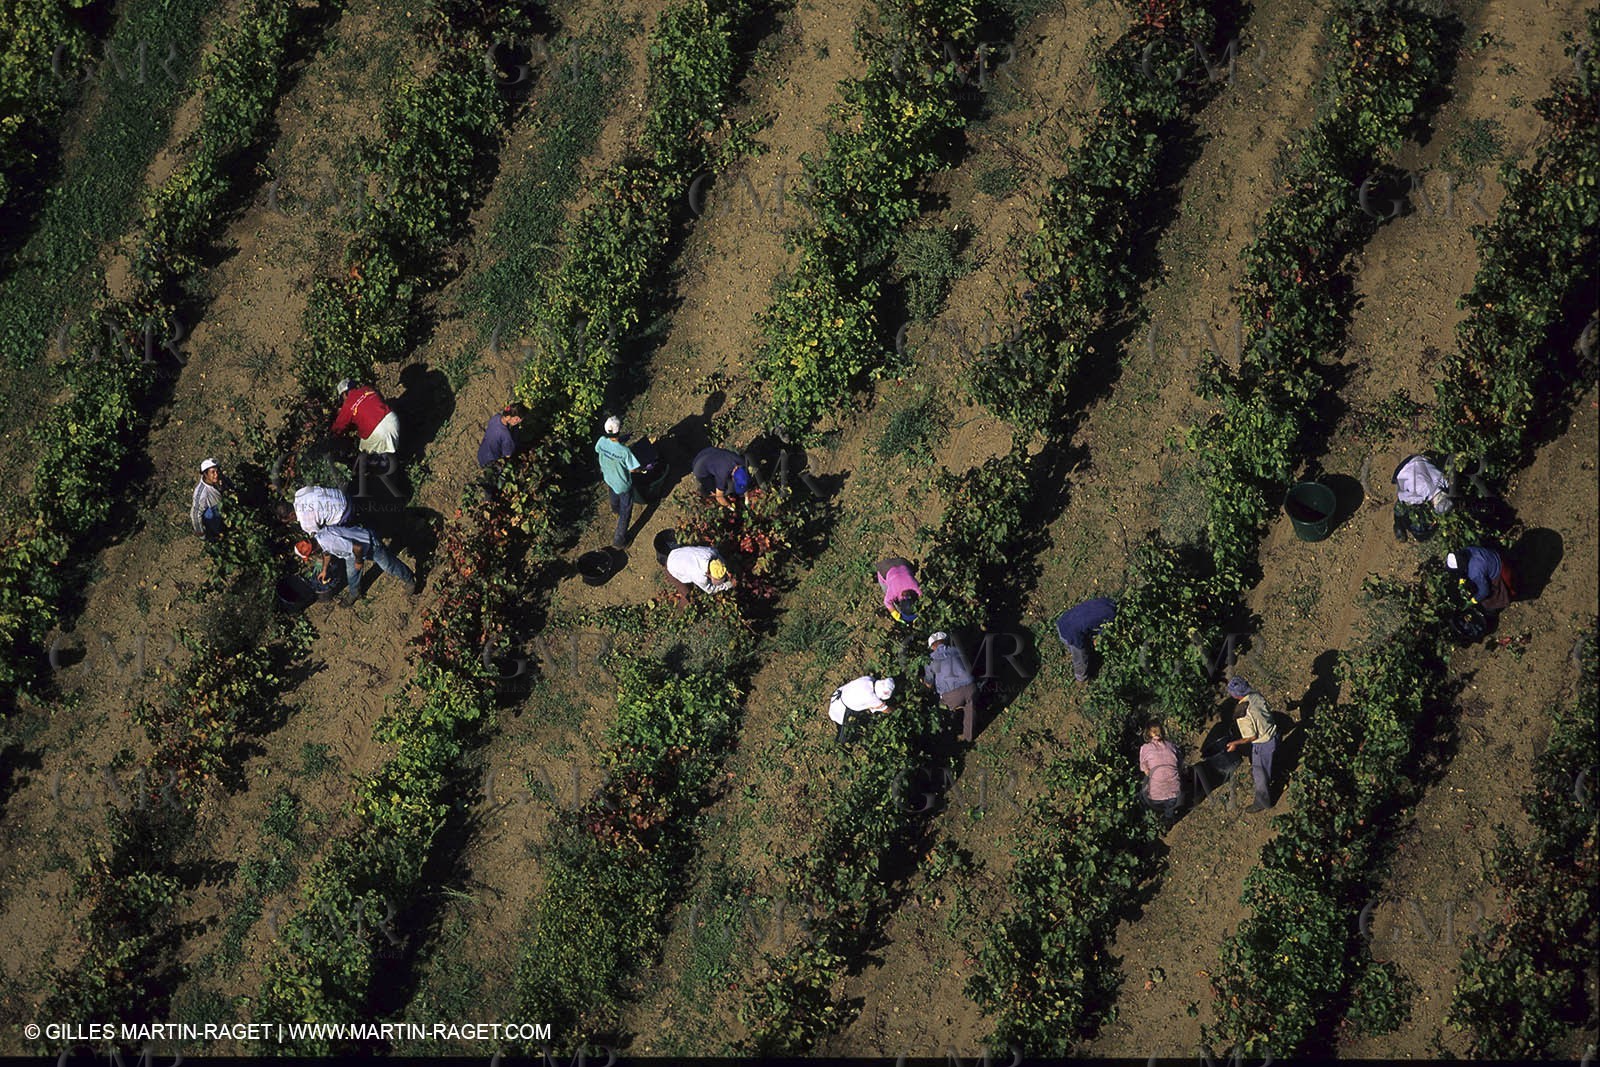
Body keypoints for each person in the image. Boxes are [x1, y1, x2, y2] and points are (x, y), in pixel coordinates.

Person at [313, 522, 418, 606]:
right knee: (351, 574)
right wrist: (324, 570)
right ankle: (355, 593)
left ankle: (410, 580)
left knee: (388, 566)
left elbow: (358, 548)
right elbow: (326, 553)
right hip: (351, 552)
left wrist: (359, 561)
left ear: (313, 551)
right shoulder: (318, 539)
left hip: (369, 543)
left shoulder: (331, 542)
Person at [1223, 676, 1277, 812]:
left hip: (1263, 744)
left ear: (1235, 696)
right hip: (1273, 734)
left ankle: (1263, 802)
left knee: (1260, 774)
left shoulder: (1242, 712)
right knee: (1269, 763)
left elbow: (1252, 737)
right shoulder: (1256, 695)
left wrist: (1235, 743)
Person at [596, 415, 643, 549]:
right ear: (620, 429)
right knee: (626, 510)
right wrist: (642, 469)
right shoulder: (625, 452)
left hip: (608, 477)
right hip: (623, 484)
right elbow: (633, 469)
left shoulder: (601, 441)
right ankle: (619, 540)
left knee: (613, 492)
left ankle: (615, 509)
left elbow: (600, 449)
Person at [923, 632, 978, 742]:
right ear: (944, 641)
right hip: (970, 688)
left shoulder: (929, 660)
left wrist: (925, 682)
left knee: (941, 704)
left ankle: (950, 730)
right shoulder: (956, 650)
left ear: (932, 647)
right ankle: (968, 736)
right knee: (970, 706)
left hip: (952, 697)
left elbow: (929, 683)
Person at [1055, 597, 1117, 682]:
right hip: (1071, 634)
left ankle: (1076, 649)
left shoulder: (1107, 601)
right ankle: (1081, 677)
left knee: (1081, 641)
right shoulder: (1111, 616)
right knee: (1080, 658)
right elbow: (1103, 634)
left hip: (1063, 620)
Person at [1392, 453, 1452, 541]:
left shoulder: (1444, 481)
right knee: (1404, 509)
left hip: (1418, 459)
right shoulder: (1417, 497)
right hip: (1402, 471)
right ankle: (1398, 524)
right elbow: (1402, 501)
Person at [332, 379, 400, 455]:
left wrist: (332, 439)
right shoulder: (367, 389)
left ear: (344, 394)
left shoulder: (347, 405)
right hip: (392, 419)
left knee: (364, 454)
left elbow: (338, 428)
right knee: (390, 451)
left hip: (377, 431)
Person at [828, 675, 895, 744]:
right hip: (845, 709)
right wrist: (896, 709)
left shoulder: (869, 679)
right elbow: (887, 710)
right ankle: (840, 742)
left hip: (841, 694)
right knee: (847, 730)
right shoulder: (872, 698)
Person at [1446, 547, 1516, 613]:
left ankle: (1495, 609)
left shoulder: (1474, 572)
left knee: (1490, 600)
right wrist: (1461, 581)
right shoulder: (1467, 550)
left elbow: (1484, 591)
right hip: (1496, 557)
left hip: (1499, 570)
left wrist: (1473, 601)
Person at [1139, 723, 1184, 824]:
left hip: (1155, 796)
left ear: (1147, 734)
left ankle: (1150, 818)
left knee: (1143, 793)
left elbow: (1146, 771)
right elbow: (1180, 765)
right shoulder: (1172, 746)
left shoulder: (1145, 748)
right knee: (1170, 805)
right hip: (1174, 792)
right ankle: (1169, 818)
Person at [663, 544, 735, 604]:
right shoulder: (700, 577)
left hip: (677, 552)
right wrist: (729, 585)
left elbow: (718, 556)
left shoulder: (711, 552)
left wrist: (727, 570)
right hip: (672, 566)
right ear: (709, 574)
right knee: (687, 594)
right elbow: (710, 590)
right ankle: (682, 608)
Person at [277, 485, 353, 535]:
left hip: (345, 512)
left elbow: (320, 533)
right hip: (343, 494)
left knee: (328, 532)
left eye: (289, 521)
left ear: (291, 515)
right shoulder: (299, 493)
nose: (291, 522)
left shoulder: (305, 523)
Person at [873, 556, 922, 624]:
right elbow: (887, 602)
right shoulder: (893, 591)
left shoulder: (916, 588)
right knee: (886, 589)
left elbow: (922, 597)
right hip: (885, 568)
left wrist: (895, 614)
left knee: (910, 572)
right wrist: (895, 614)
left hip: (902, 562)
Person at [189, 458, 225, 538]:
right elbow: (195, 514)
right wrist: (200, 533)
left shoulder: (218, 479)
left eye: (217, 471)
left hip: (221, 507)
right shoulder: (201, 493)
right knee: (210, 515)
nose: (216, 474)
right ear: (205, 474)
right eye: (213, 472)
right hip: (213, 512)